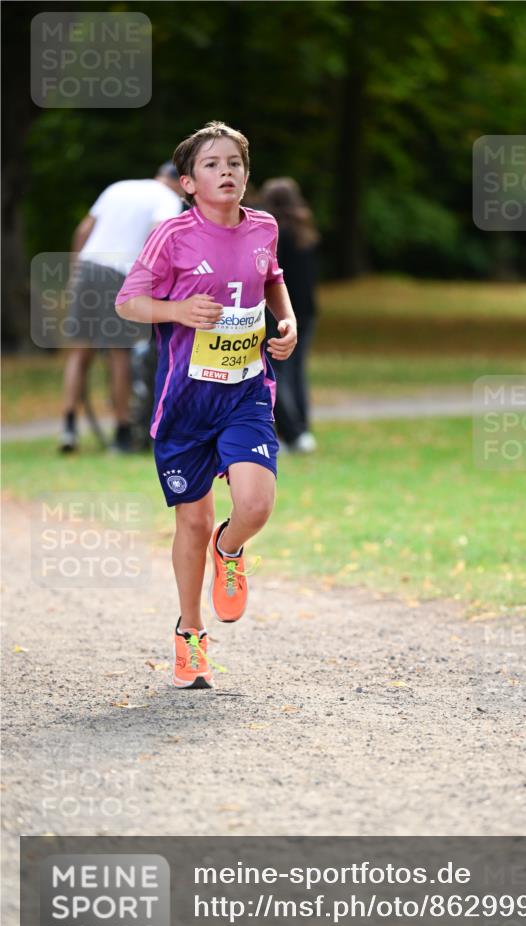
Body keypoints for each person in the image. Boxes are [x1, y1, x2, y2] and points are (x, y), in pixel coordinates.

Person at [115, 121, 297, 690]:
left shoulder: (264, 227)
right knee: (190, 522)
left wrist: (285, 322)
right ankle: (190, 635)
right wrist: (177, 312)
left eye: (235, 164)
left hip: (246, 391)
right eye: (213, 165)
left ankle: (231, 546)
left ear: (247, 175)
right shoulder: (172, 236)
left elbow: (272, 281)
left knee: (257, 503)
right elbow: (128, 303)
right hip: (185, 403)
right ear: (190, 182)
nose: (227, 173)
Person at [59, 163, 184, 453]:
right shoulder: (168, 199)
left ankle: (68, 428)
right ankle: (122, 431)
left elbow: (83, 230)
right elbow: (157, 238)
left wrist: (74, 273)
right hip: (121, 274)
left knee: (80, 352)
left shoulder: (119, 186)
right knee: (119, 353)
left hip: (88, 268)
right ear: (180, 182)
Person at [259, 178, 319, 453]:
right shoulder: (306, 230)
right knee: (296, 370)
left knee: (276, 369)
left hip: (280, 312)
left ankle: (290, 431)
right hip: (307, 310)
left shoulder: (274, 234)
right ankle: (302, 428)